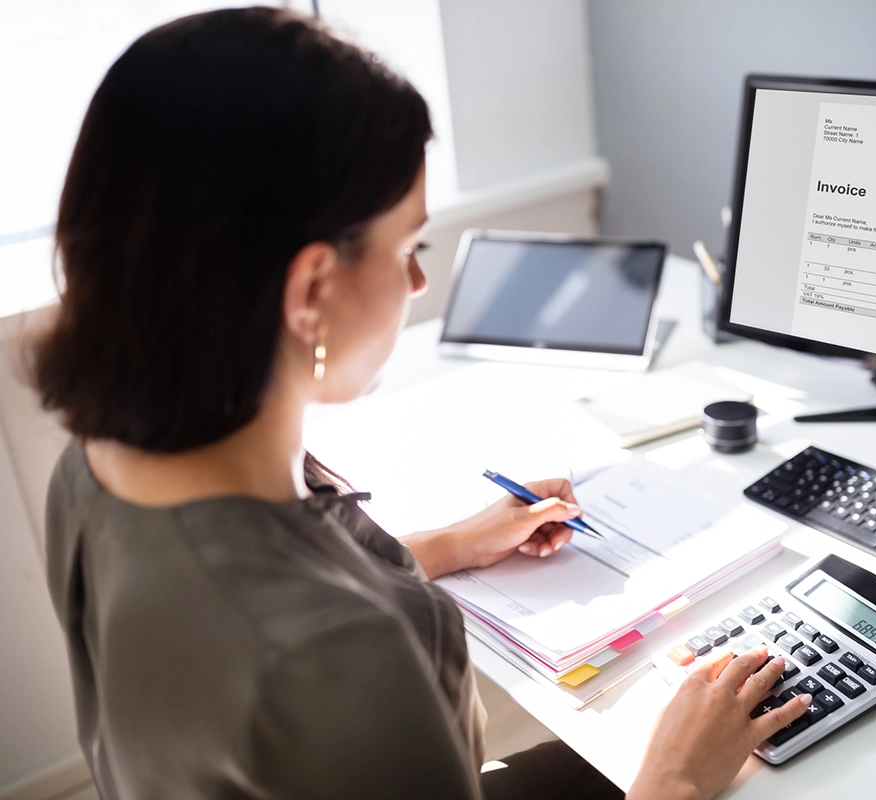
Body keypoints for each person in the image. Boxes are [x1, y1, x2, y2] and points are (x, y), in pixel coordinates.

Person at [28, 8, 810, 799]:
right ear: (309, 291)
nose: (417, 285)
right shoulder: (341, 668)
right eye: (410, 249)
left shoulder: (93, 472)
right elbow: (308, 641)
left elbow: (271, 580)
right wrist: (672, 782)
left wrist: (450, 543)